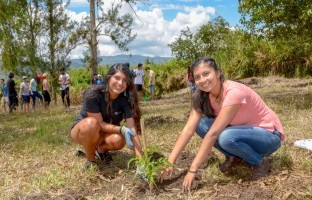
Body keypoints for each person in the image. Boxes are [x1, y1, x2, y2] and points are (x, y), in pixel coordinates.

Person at [159, 57, 285, 192]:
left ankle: (259, 162)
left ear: (218, 73)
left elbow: (213, 134)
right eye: (198, 77)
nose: (202, 80)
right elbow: (188, 129)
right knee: (201, 125)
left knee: (225, 136)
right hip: (241, 132)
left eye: (206, 74)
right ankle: (235, 156)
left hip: (269, 136)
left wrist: (192, 170)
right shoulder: (202, 96)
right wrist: (170, 161)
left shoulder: (234, 92)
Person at [70, 63, 143, 168]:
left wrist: (140, 161)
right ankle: (91, 159)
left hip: (105, 133)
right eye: (117, 78)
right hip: (85, 131)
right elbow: (99, 124)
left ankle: (100, 150)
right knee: (91, 123)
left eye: (124, 80)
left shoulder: (126, 99)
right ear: (109, 78)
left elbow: (132, 128)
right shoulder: (93, 94)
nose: (120, 83)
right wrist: (122, 129)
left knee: (119, 140)